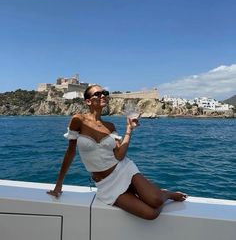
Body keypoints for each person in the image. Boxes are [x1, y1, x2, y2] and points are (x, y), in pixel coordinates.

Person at [47, 84, 187, 220]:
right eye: (98, 94)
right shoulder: (78, 120)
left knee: (156, 201)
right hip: (106, 184)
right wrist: (59, 184)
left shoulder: (110, 126)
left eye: (104, 93)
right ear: (88, 101)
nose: (103, 95)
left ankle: (167, 194)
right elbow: (70, 152)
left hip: (124, 169)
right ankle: (154, 192)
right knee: (151, 214)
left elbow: (119, 155)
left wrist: (129, 130)